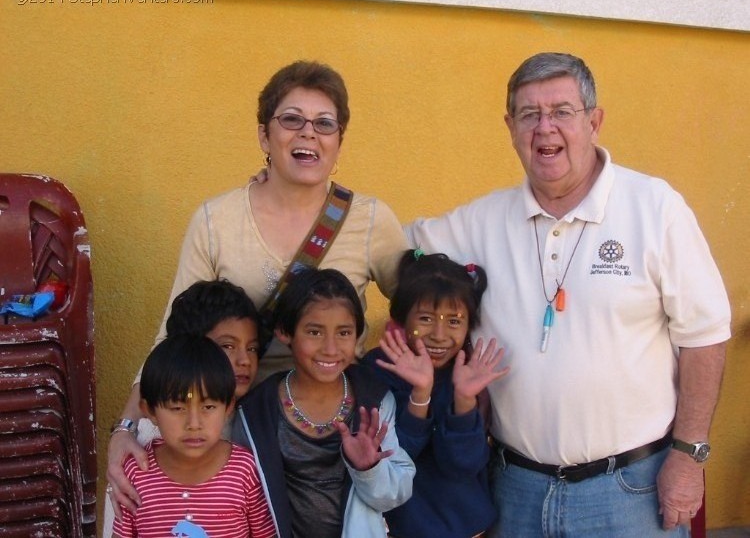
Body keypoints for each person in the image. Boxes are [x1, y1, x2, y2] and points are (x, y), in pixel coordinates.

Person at [406, 52, 730, 536]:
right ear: (510, 127)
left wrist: (689, 457)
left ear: (594, 121)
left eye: (562, 111)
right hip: (515, 490)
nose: (545, 128)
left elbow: (704, 337)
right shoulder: (482, 221)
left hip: (630, 491)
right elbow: (395, 251)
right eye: (529, 114)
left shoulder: (654, 208)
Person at [108, 60, 408, 515]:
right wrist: (126, 428)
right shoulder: (216, 220)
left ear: (338, 142)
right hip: (233, 422)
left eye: (325, 124)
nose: (309, 133)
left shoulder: (371, 220)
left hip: (331, 430)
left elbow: (416, 309)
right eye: (291, 119)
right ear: (265, 136)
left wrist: (433, 399)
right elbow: (172, 338)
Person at [232, 268, 415, 538]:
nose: (330, 348)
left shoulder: (372, 401)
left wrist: (369, 469)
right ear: (285, 331)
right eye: (315, 332)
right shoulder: (257, 412)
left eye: (344, 333)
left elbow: (394, 494)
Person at [361, 250, 509, 538]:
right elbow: (393, 460)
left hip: (467, 529)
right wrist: (421, 392)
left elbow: (463, 465)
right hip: (403, 529)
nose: (439, 335)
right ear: (402, 318)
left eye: (454, 321)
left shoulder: (468, 373)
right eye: (426, 318)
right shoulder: (377, 370)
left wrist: (465, 399)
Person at [103, 279, 265, 536]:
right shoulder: (141, 455)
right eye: (227, 346)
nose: (244, 360)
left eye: (252, 348)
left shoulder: (251, 451)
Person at [112, 334, 276, 538]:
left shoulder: (246, 471)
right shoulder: (136, 472)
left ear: (227, 407)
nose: (194, 424)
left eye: (208, 407)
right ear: (150, 411)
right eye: (177, 407)